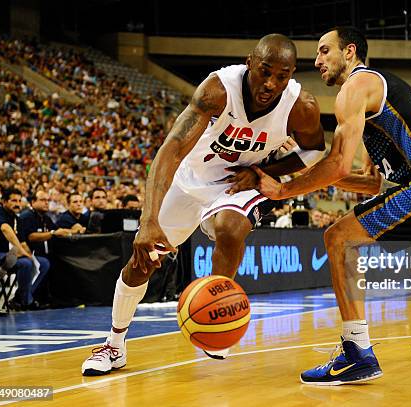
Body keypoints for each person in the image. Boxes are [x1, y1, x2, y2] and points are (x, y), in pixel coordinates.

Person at [244, 27, 411, 385]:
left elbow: (338, 164)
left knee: (339, 239)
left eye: (325, 51)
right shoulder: (379, 102)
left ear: (350, 51)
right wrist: (310, 168)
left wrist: (283, 190)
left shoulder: (356, 87)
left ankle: (356, 351)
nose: (317, 60)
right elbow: (369, 182)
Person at [80, 33, 325, 376]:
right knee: (142, 262)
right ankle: (114, 344)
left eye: (281, 76)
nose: (270, 83)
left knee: (230, 226)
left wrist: (262, 173)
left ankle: (217, 312)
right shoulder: (217, 90)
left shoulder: (302, 106)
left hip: (235, 184)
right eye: (264, 71)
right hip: (189, 179)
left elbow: (314, 151)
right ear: (249, 62)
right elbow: (171, 150)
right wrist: (148, 219)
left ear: (292, 73)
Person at [0, 188, 50, 310]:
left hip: (12, 254)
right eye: (13, 200)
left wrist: (30, 255)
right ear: (4, 202)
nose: (17, 204)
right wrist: (22, 251)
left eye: (19, 201)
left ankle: (20, 297)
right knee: (25, 263)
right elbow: (5, 229)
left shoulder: (18, 219)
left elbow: (23, 242)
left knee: (43, 263)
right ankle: (26, 302)